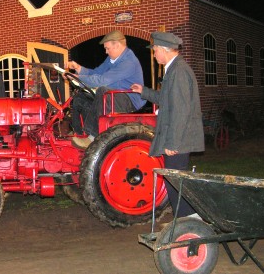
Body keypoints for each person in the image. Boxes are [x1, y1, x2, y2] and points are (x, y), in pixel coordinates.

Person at [130, 31, 204, 218]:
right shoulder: (174, 69)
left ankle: (189, 223)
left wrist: (173, 143)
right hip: (179, 138)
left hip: (179, 140)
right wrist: (144, 91)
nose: (154, 55)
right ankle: (187, 222)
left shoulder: (178, 71)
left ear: (164, 49)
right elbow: (166, 99)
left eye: (155, 50)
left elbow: (180, 110)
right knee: (175, 184)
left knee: (176, 185)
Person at [66, 30, 146, 149]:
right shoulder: (112, 59)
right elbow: (96, 73)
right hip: (116, 94)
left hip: (130, 99)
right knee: (80, 97)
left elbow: (101, 80)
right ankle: (80, 133)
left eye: (108, 48)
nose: (106, 52)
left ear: (117, 45)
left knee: (103, 92)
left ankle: (92, 137)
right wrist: (78, 68)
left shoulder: (129, 62)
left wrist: (78, 79)